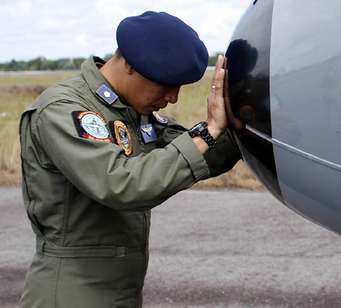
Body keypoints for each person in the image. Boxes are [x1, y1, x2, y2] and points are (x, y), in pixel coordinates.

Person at [19, 11, 241, 308]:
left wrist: (243, 125)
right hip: (70, 293)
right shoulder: (64, 110)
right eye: (165, 84)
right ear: (131, 67)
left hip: (121, 291)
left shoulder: (132, 111)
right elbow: (122, 184)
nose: (173, 97)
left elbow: (197, 156)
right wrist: (209, 132)